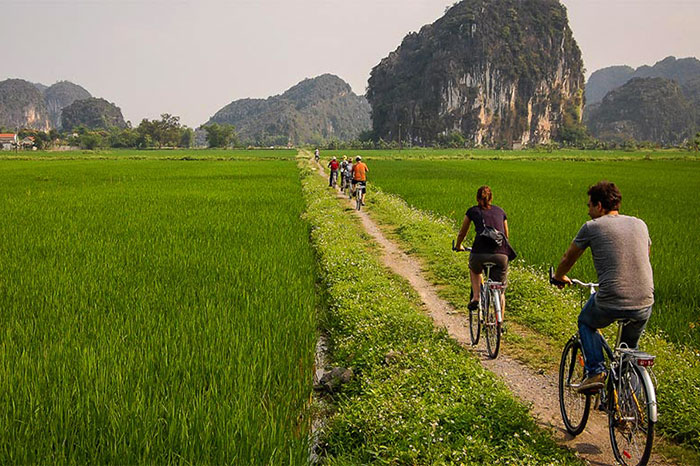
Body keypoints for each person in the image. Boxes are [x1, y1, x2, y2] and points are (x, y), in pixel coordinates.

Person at [552, 181, 653, 393]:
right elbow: (645, 254)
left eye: (589, 206)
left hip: (612, 298)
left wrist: (559, 276)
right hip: (644, 301)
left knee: (586, 322)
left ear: (599, 206)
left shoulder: (592, 227)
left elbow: (568, 257)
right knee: (629, 351)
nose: (588, 211)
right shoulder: (639, 223)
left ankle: (595, 371)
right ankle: (630, 404)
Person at [454, 186, 512, 316]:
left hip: (479, 252)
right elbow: (506, 236)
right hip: (501, 254)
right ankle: (499, 322)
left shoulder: (472, 211)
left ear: (477, 198)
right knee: (500, 290)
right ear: (491, 198)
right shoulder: (500, 211)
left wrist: (458, 245)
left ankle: (476, 297)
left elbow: (463, 232)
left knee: (474, 269)